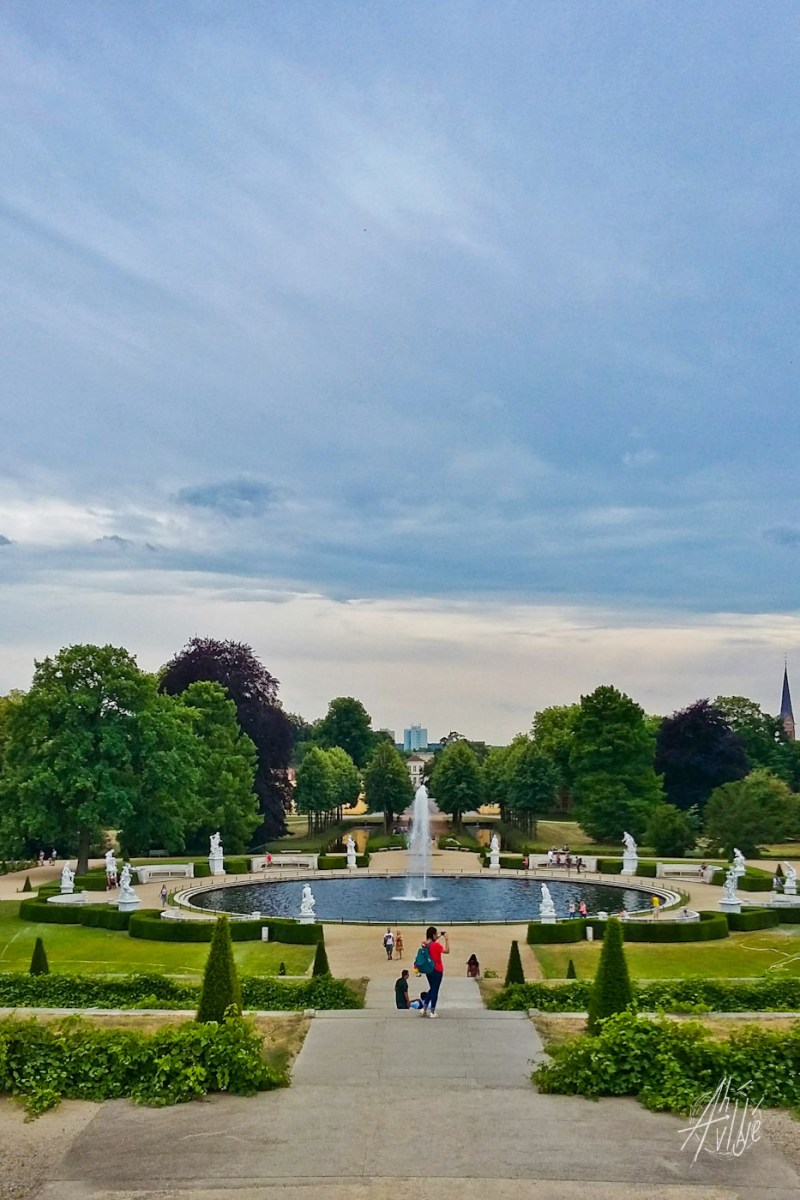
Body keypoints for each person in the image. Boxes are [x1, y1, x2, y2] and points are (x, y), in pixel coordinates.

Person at [421, 926, 449, 1018]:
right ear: (433, 935)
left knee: (432, 988)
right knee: (435, 990)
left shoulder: (424, 944)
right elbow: (447, 951)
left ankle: (424, 1008)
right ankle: (432, 1011)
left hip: (428, 969)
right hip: (437, 969)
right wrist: (446, 939)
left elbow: (430, 941)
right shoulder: (436, 945)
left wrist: (438, 936)